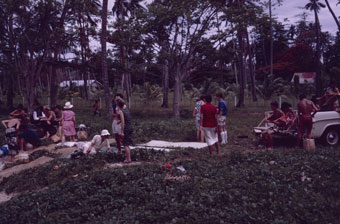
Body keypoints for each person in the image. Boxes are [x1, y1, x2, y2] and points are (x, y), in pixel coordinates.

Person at [117, 99, 133, 163]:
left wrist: (122, 131)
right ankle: (128, 157)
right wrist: (120, 120)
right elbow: (126, 118)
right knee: (127, 144)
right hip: (130, 127)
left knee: (125, 144)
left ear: (118, 105)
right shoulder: (126, 109)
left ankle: (128, 159)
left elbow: (123, 122)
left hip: (126, 128)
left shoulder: (121, 111)